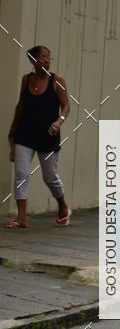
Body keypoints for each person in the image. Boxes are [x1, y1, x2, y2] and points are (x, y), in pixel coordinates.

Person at [7, 46, 71, 228]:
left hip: (48, 136)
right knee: (21, 174)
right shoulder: (26, 79)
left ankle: (62, 205)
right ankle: (21, 218)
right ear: (33, 60)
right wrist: (12, 132)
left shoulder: (57, 81)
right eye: (43, 57)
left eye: (49, 57)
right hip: (24, 134)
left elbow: (66, 106)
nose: (47, 60)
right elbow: (21, 106)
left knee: (49, 177)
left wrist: (59, 121)